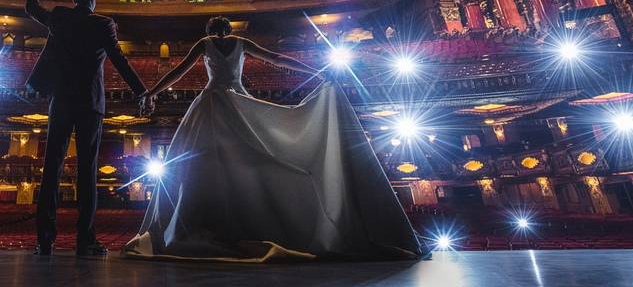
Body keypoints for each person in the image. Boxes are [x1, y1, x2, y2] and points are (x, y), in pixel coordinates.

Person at [125, 16, 424, 262]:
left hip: (212, 102)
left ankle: (212, 219)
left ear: (209, 32)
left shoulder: (205, 44)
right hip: (237, 101)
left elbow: (178, 72)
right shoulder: (240, 43)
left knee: (204, 166)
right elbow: (277, 59)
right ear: (229, 30)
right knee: (252, 159)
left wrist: (152, 92)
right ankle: (247, 217)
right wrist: (314, 71)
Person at [25, 0, 147, 256]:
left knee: (51, 168)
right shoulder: (102, 24)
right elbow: (119, 59)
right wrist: (140, 91)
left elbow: (32, 8)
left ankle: (44, 240)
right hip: (90, 104)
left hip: (62, 100)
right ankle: (85, 240)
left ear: (74, 0)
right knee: (87, 171)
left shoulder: (60, 17)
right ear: (92, 1)